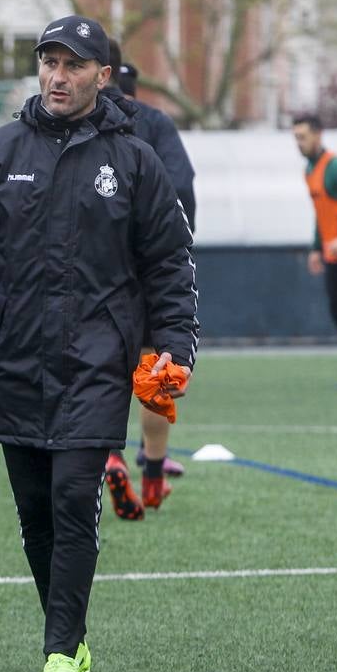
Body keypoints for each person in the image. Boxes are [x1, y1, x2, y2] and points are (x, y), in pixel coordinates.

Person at [0, 15, 198, 672]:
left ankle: (58, 650)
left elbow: (168, 265)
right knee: (34, 510)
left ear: (102, 74)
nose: (57, 77)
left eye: (72, 65)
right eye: (48, 63)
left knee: (72, 497)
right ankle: (71, 630)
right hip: (9, 356)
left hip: (96, 359)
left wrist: (172, 347)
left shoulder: (134, 161)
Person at [99, 41, 198, 517]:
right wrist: (178, 244)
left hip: (100, 270)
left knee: (101, 368)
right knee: (156, 370)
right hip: (152, 266)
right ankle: (154, 479)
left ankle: (112, 456)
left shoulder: (79, 123)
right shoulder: (155, 123)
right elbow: (182, 186)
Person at [292, 114, 337, 391]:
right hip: (333, 255)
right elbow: (321, 214)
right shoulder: (309, 170)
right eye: (295, 138)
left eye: (303, 137)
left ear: (318, 135)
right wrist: (315, 248)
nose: (299, 143)